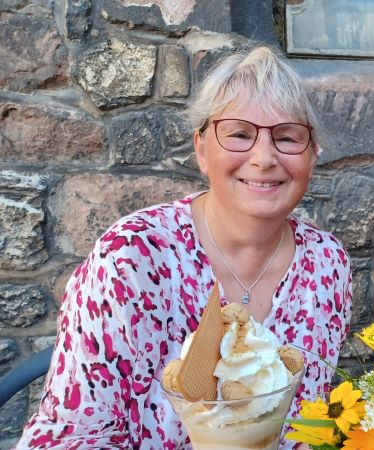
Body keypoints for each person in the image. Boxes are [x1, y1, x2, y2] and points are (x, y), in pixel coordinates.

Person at [15, 47, 352, 449]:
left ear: (312, 156)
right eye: (240, 134)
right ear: (201, 148)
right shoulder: (131, 257)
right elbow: (74, 436)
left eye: (287, 137)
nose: (264, 158)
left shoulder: (326, 264)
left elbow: (309, 431)